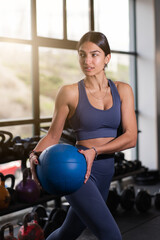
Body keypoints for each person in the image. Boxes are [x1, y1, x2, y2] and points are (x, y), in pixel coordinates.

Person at [29, 31, 137, 240]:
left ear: (107, 58)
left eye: (94, 54)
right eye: (82, 54)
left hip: (106, 170)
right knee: (111, 236)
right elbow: (53, 136)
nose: (87, 61)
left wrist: (95, 151)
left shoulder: (123, 90)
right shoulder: (69, 92)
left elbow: (131, 137)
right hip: (76, 170)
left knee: (68, 233)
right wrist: (34, 154)